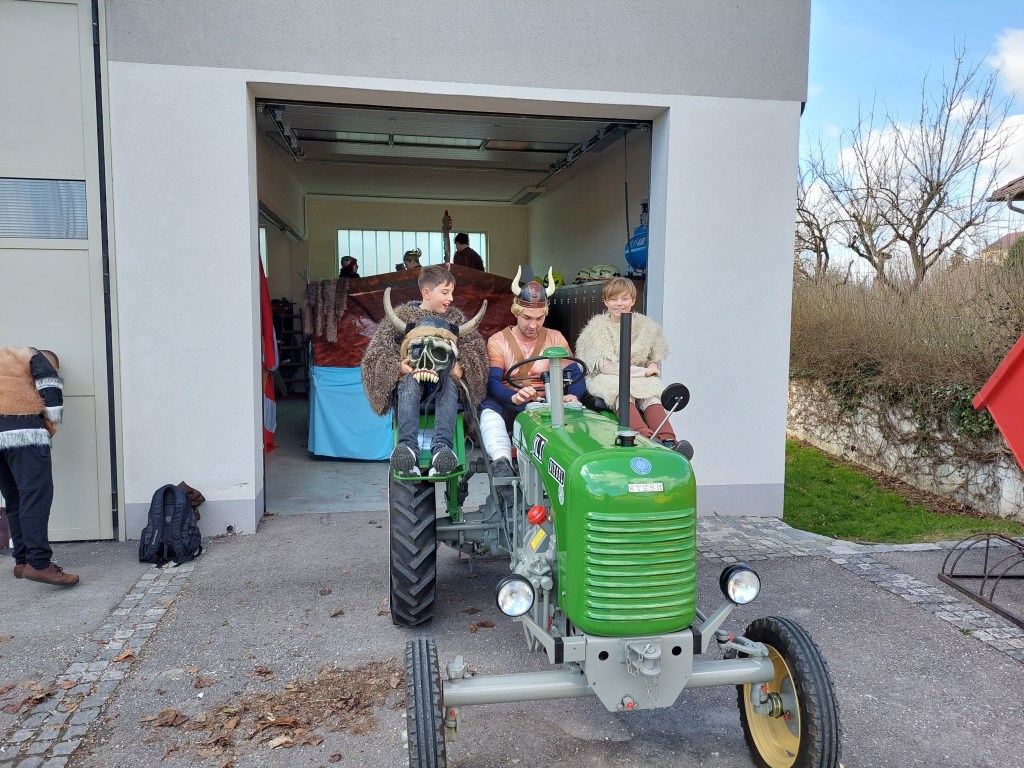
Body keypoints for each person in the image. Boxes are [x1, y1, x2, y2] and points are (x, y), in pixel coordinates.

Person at [361, 265, 488, 476]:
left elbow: (475, 349)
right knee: (409, 382)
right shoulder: (401, 317)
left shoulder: (456, 319)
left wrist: (463, 366)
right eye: (445, 292)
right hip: (409, 388)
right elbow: (376, 354)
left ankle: (442, 449)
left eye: (452, 293)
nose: (450, 298)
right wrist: (397, 367)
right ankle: (407, 448)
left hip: (445, 386)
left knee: (448, 384)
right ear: (427, 293)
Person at [480, 268, 585, 492]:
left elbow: (576, 375)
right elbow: (493, 383)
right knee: (489, 408)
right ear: (516, 312)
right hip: (510, 402)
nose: (533, 325)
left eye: (539, 318)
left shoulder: (555, 337)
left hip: (549, 402)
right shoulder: (498, 340)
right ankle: (501, 461)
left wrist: (572, 396)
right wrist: (514, 396)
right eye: (527, 318)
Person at [0, 347, 79, 587]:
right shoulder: (31, 355)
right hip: (24, 433)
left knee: (14, 499)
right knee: (36, 496)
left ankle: (22, 561)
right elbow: (49, 382)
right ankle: (40, 564)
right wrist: (51, 421)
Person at [575, 277, 680, 446]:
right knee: (622, 392)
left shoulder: (647, 326)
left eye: (624, 298)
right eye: (613, 299)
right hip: (608, 376)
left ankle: (668, 440)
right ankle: (643, 436)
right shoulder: (597, 328)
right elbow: (604, 366)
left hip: (637, 376)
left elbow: (653, 356)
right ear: (605, 302)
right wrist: (644, 372)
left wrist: (652, 366)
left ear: (633, 300)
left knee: (651, 395)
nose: (619, 304)